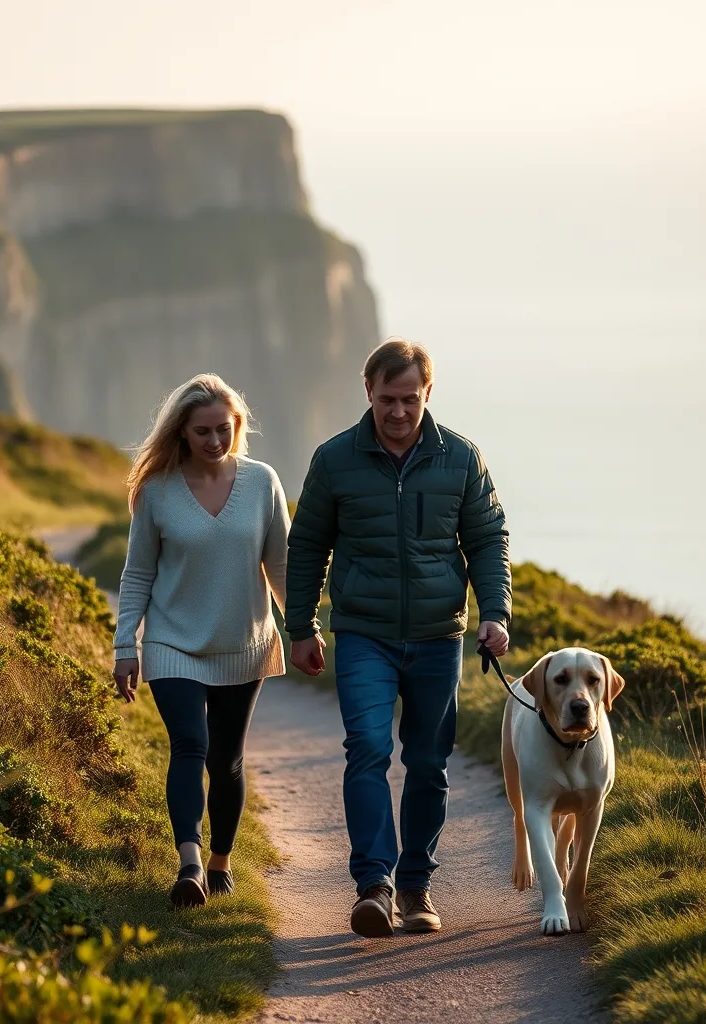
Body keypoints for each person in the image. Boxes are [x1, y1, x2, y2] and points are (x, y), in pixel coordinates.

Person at [285, 338, 511, 936]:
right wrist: (300, 626)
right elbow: (307, 545)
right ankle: (374, 886)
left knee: (429, 764)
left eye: (410, 399)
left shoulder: (462, 459)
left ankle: (416, 887)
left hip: (440, 638)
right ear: (369, 393)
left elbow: (488, 539)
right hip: (364, 634)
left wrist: (496, 612)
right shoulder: (334, 460)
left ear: (427, 394)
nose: (399, 412)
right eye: (388, 399)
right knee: (367, 749)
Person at [112, 374, 290, 908]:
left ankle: (220, 862)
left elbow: (280, 565)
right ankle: (189, 863)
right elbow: (137, 574)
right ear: (182, 433)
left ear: (237, 427)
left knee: (227, 759)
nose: (215, 441)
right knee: (191, 744)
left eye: (224, 429)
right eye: (203, 431)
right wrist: (126, 645)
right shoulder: (157, 491)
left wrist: (304, 630)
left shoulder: (262, 483)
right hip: (172, 644)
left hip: (244, 640)